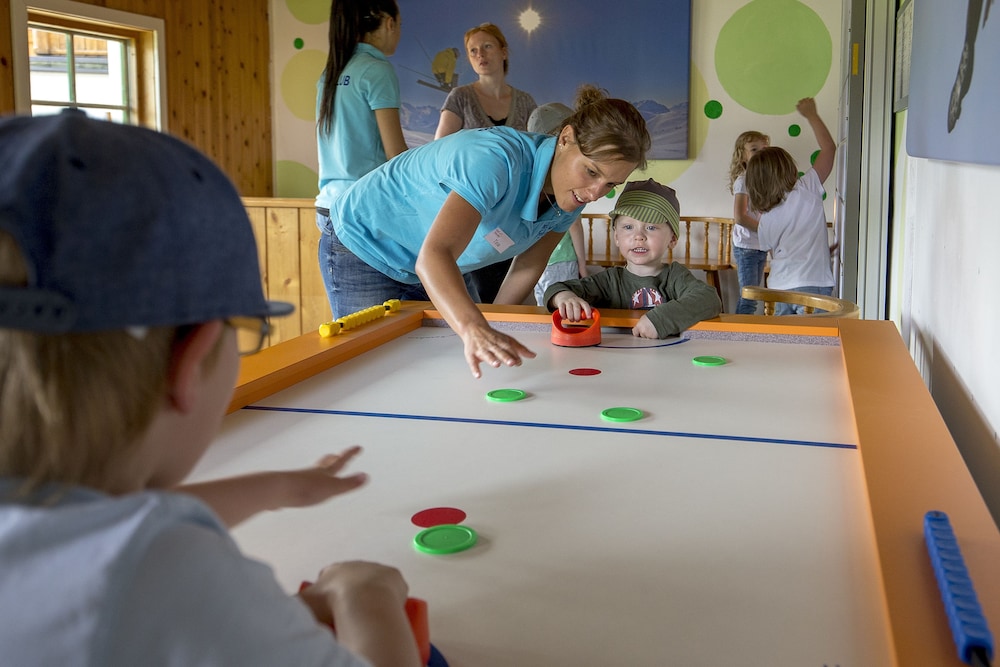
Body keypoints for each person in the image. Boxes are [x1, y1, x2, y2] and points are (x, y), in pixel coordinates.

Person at [0, 111, 421, 667]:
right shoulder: (159, 575)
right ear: (192, 361)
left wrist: (275, 488)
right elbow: (133, 549)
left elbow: (85, 528)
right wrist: (364, 595)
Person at [319, 84, 650, 378]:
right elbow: (434, 257)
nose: (594, 194)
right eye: (591, 172)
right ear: (565, 139)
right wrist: (473, 327)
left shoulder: (571, 196)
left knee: (444, 365)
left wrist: (495, 325)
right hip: (365, 242)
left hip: (430, 262)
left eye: (610, 184)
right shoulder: (496, 159)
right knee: (372, 369)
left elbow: (529, 264)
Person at [434, 22, 538, 304]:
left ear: (503, 51)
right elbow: (439, 152)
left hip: (514, 216)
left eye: (487, 46)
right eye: (473, 50)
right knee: (476, 295)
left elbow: (537, 157)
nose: (480, 54)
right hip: (471, 212)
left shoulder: (525, 101)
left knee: (514, 298)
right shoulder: (460, 98)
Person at [542, 179, 723, 339]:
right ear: (616, 237)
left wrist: (661, 319)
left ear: (673, 239)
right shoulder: (609, 280)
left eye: (651, 227)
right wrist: (564, 297)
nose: (639, 236)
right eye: (628, 227)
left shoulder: (675, 276)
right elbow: (557, 289)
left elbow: (709, 299)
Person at [742, 97, 836, 315]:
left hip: (779, 288)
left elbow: (779, 252)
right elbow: (829, 149)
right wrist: (812, 115)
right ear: (789, 168)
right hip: (814, 285)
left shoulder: (765, 217)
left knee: (784, 336)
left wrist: (820, 250)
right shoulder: (807, 187)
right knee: (814, 336)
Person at [315, 0, 407, 217]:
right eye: (400, 25)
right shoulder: (377, 70)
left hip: (327, 205)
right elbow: (395, 153)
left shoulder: (330, 72)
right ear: (389, 23)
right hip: (363, 206)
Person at [528, 102, 591, 307]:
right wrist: (582, 263)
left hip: (547, 259)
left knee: (549, 305)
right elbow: (575, 226)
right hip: (558, 260)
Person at [727, 130, 771, 315]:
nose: (760, 153)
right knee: (749, 298)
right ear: (743, 156)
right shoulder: (743, 180)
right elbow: (740, 216)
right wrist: (764, 230)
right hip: (746, 247)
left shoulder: (763, 180)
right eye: (754, 149)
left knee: (754, 296)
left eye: (764, 149)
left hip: (759, 245)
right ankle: (738, 331)